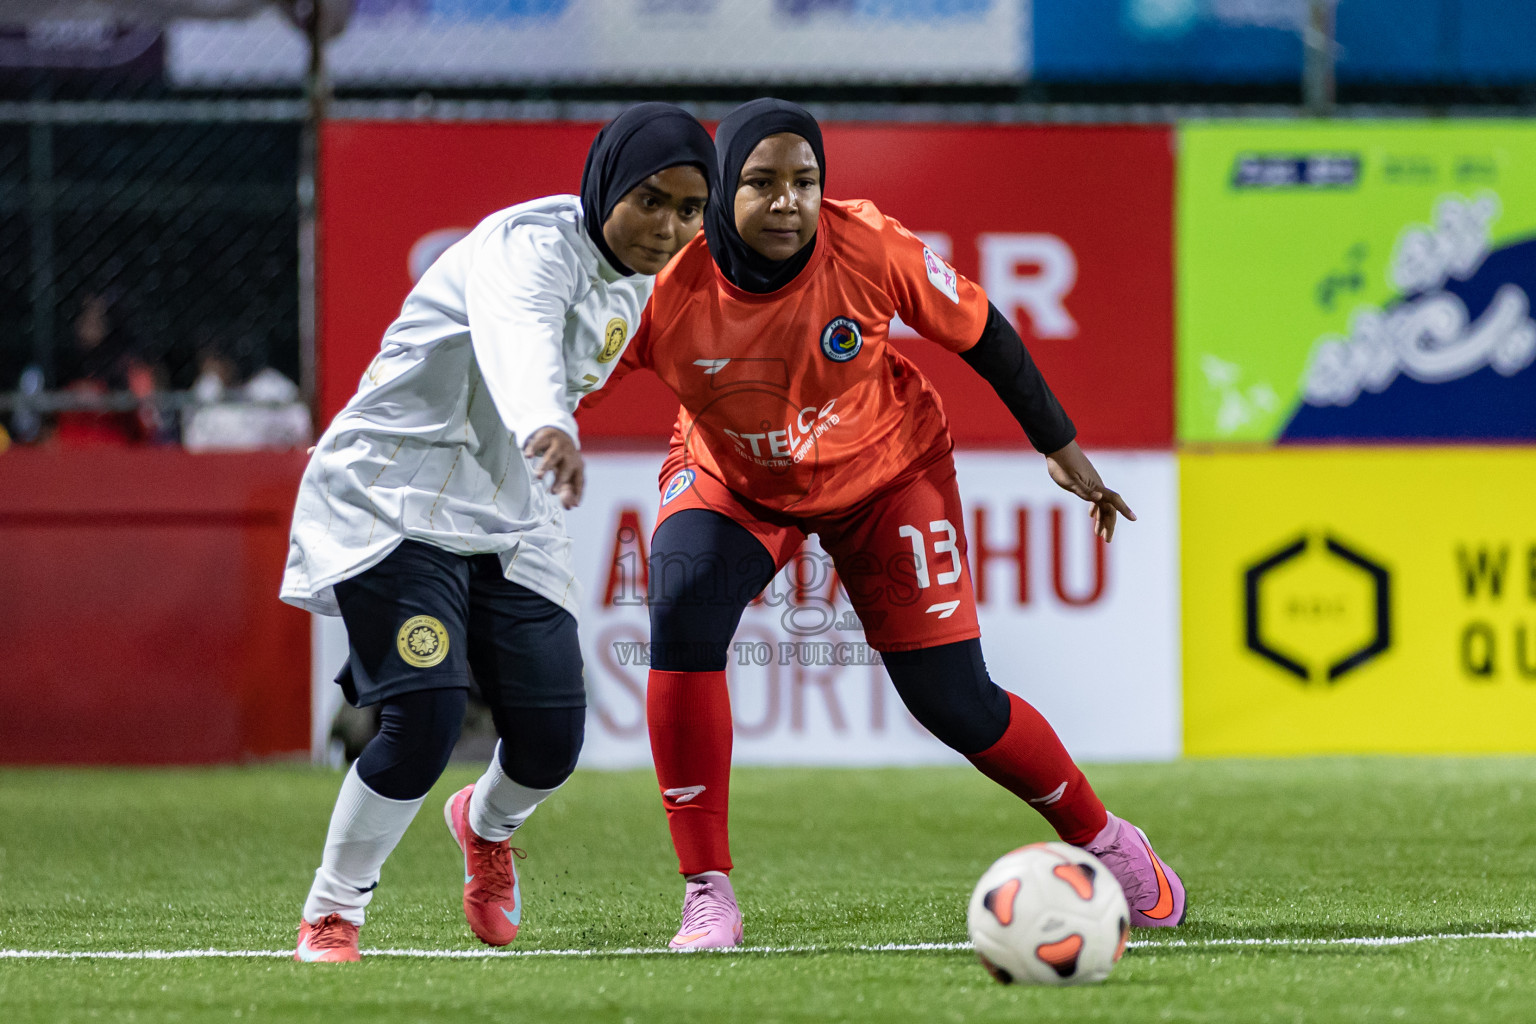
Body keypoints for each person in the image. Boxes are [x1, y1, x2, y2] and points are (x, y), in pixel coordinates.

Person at [603, 98, 1186, 949]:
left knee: (955, 703)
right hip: (734, 477)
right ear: (722, 186)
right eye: (761, 183)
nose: (787, 202)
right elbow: (563, 378)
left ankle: (1107, 839)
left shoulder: (868, 244)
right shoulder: (663, 282)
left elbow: (984, 330)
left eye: (804, 181)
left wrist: (1059, 448)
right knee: (682, 608)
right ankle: (708, 893)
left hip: (888, 474)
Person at [278, 103, 716, 962]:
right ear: (605, 186)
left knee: (552, 740)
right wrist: (547, 422)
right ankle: (334, 912)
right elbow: (518, 334)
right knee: (424, 716)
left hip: (512, 512)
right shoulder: (529, 244)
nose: (669, 228)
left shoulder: (647, 276)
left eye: (689, 210)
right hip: (397, 494)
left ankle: (483, 826)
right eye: (651, 201)